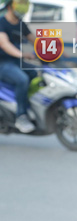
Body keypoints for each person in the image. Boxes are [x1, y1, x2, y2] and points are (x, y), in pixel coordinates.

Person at [0, 0, 37, 133]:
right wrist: (21, 54)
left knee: (35, 73)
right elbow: (4, 44)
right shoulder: (1, 23)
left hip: (16, 62)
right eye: (20, 2)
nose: (23, 6)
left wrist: (55, 51)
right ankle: (21, 116)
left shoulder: (21, 25)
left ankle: (28, 105)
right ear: (10, 5)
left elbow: (35, 40)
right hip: (3, 63)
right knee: (22, 79)